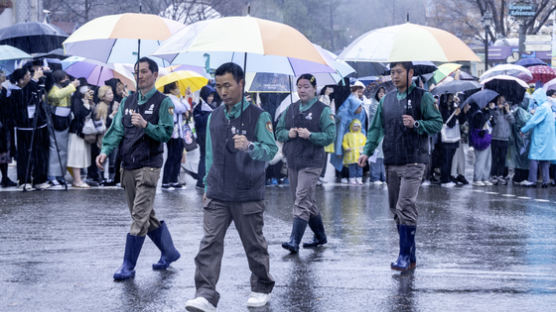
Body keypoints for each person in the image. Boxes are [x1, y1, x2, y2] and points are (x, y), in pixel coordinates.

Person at [185, 63, 277, 311]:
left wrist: (250, 146)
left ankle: (261, 286)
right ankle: (205, 293)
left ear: (240, 84)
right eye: (218, 86)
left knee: (253, 244)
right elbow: (210, 155)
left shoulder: (259, 116)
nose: (223, 91)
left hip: (248, 193)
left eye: (228, 85)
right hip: (217, 192)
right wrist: (206, 185)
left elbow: (271, 151)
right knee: (209, 243)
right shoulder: (214, 116)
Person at [96, 57, 180, 281]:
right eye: (136, 72)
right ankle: (169, 252)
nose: (139, 76)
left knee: (139, 217)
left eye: (144, 71)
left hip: (149, 167)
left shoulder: (164, 103)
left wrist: (146, 125)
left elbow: (165, 133)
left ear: (155, 74)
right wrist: (105, 150)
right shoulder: (128, 102)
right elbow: (116, 130)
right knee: (143, 215)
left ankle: (128, 266)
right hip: (128, 166)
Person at [358, 62, 442, 272]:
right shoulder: (386, 100)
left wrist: (416, 124)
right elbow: (376, 129)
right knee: (396, 209)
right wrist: (366, 152)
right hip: (392, 159)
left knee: (405, 205)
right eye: (392, 72)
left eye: (399, 72)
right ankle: (410, 253)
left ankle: (403, 255)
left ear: (410, 73)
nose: (395, 77)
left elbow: (437, 123)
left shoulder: (424, 97)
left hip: (415, 159)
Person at [276, 73, 336, 253]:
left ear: (314, 89)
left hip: (312, 162)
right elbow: (278, 131)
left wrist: (311, 136)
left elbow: (330, 136)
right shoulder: (291, 109)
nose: (302, 90)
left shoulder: (323, 110)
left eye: (306, 87)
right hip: (293, 161)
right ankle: (320, 236)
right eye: (299, 86)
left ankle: (294, 241)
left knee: (302, 198)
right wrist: (289, 134)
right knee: (303, 200)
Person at [9, 68, 50, 190]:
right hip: (24, 128)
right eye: (27, 76)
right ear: (21, 80)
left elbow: (43, 91)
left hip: (38, 125)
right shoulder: (15, 90)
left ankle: (39, 179)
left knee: (40, 154)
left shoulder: (33, 86)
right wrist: (34, 80)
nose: (30, 76)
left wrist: (44, 76)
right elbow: (24, 99)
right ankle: (24, 180)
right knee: (24, 155)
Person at [47, 70, 79, 188]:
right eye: (64, 78)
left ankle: (61, 174)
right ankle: (52, 175)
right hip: (55, 122)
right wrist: (71, 86)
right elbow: (54, 96)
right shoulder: (54, 89)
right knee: (55, 149)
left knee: (64, 149)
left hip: (65, 121)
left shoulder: (66, 89)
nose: (66, 80)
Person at [519, 89, 556, 187]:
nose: (534, 101)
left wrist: (523, 130)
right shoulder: (548, 107)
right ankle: (546, 180)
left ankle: (532, 180)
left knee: (534, 157)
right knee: (544, 160)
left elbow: (533, 122)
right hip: (548, 137)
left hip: (540, 137)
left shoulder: (541, 108)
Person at [161, 81, 189, 190]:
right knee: (172, 156)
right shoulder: (169, 98)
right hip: (173, 132)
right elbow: (181, 108)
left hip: (178, 132)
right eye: (177, 87)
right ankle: (166, 181)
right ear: (171, 89)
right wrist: (183, 100)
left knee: (177, 156)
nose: (178, 89)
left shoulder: (175, 98)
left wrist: (184, 98)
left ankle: (173, 180)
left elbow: (186, 107)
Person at [193, 85, 218, 189]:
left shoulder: (212, 107)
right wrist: (209, 114)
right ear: (204, 96)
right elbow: (199, 122)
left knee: (210, 158)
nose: (211, 98)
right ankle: (201, 180)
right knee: (204, 157)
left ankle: (207, 178)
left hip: (211, 136)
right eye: (209, 96)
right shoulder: (198, 108)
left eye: (212, 96)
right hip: (203, 137)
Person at [437, 93, 463, 187]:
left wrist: (458, 109)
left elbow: (460, 120)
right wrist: (455, 114)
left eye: (452, 96)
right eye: (450, 96)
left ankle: (448, 177)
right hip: (446, 138)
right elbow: (449, 123)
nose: (451, 98)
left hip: (453, 138)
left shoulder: (453, 107)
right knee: (446, 159)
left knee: (450, 158)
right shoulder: (442, 108)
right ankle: (444, 179)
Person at [489, 95, 514, 185]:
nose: (501, 102)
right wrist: (496, 109)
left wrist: (507, 111)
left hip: (505, 138)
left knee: (502, 158)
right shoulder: (494, 111)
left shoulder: (507, 112)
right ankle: (493, 175)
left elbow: (512, 121)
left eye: (503, 101)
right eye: (499, 100)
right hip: (495, 138)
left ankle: (500, 175)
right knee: (495, 158)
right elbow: (492, 121)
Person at [469, 102, 495, 186]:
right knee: (480, 159)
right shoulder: (477, 113)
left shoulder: (485, 112)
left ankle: (485, 177)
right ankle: (477, 178)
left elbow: (492, 123)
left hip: (487, 138)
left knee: (487, 160)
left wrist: (491, 115)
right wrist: (490, 111)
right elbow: (481, 122)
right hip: (480, 139)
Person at [343, 119, 366, 184]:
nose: (356, 128)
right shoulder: (347, 135)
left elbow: (365, 144)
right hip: (351, 155)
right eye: (354, 126)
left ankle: (359, 178)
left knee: (359, 167)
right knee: (352, 167)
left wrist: (363, 150)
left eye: (357, 126)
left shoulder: (362, 136)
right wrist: (346, 147)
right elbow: (344, 142)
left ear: (360, 127)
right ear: (351, 126)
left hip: (359, 155)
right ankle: (352, 178)